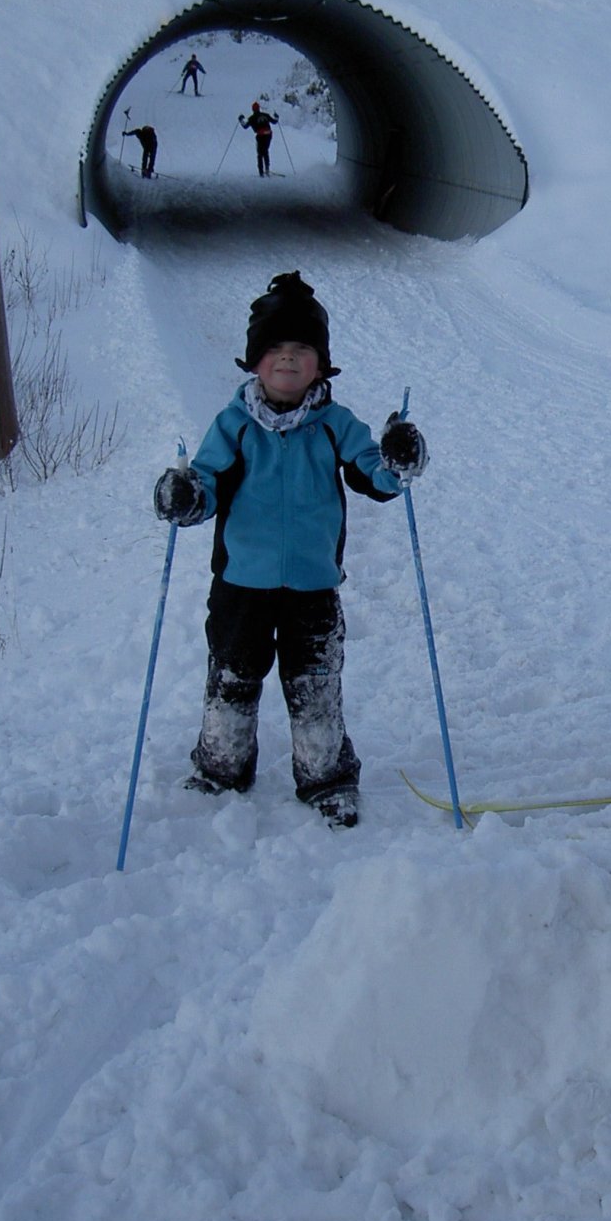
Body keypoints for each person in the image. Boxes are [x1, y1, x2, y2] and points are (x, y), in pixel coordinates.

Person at [152, 272, 427, 827]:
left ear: (321, 365)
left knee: (315, 685)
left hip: (312, 586)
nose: (287, 358)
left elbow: (378, 476)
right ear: (255, 361)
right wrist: (183, 495)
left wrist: (399, 457)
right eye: (275, 348)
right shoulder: (233, 426)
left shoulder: (336, 425)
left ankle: (326, 778)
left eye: (302, 349)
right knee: (232, 679)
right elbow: (205, 486)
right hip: (241, 585)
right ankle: (221, 767)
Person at [240, 101, 278, 175]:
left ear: (253, 109)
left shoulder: (252, 118)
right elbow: (274, 121)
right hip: (268, 135)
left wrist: (241, 119)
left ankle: (261, 172)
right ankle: (267, 168)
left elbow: (245, 126)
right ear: (259, 108)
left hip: (260, 136)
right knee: (265, 151)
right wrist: (276, 116)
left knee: (260, 153)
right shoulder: (265, 115)